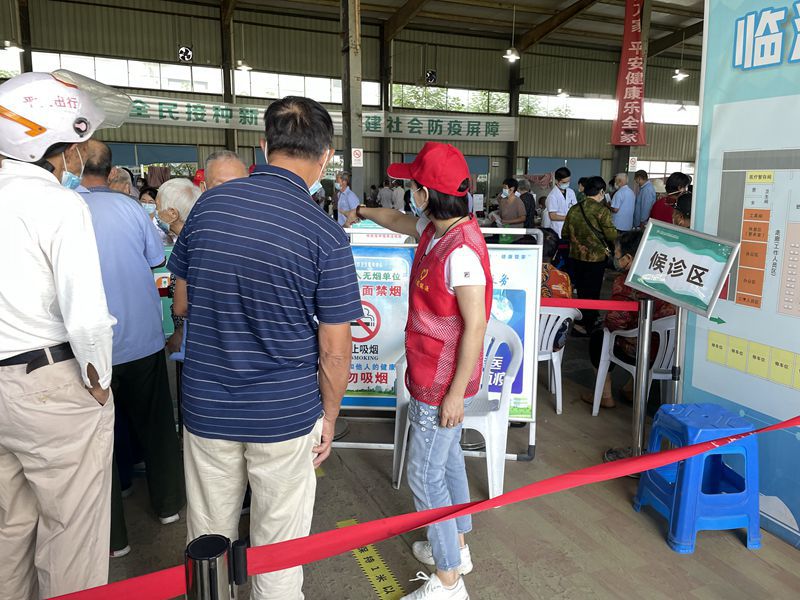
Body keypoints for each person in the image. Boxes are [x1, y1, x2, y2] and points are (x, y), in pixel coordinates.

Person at [168, 96, 362, 600]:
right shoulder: (325, 234)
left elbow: (181, 303)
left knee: (208, 538)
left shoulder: (207, 207)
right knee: (279, 547)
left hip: (208, 406)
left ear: (263, 145)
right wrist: (330, 415)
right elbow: (335, 349)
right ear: (326, 157)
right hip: (284, 415)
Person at [346, 142, 491, 600]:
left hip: (441, 382)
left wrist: (454, 394)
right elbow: (397, 220)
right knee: (447, 461)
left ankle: (449, 581)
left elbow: (475, 326)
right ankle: (457, 548)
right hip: (431, 371)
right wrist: (361, 212)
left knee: (424, 476)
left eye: (412, 186)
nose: (409, 194)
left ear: (426, 194)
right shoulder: (437, 229)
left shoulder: (462, 251)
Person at [0, 70, 122, 599]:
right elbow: (86, 315)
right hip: (49, 382)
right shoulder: (58, 204)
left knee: (10, 527)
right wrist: (99, 383)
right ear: (58, 146)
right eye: (77, 143)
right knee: (71, 531)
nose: (79, 154)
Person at [77, 140, 185, 558]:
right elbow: (156, 258)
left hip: (89, 349)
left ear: (74, 163)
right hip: (140, 338)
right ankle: (169, 506)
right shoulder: (131, 209)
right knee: (156, 424)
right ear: (112, 172)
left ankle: (114, 538)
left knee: (96, 441)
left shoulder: (67, 208)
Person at [584, 231, 676, 409]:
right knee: (645, 329)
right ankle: (630, 388)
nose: (614, 257)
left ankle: (605, 395)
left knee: (599, 337)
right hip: (670, 352)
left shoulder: (626, 282)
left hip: (643, 351)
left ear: (628, 258)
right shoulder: (670, 277)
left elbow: (615, 323)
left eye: (616, 253)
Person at [562, 176, 618, 334]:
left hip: (576, 257)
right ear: (601, 192)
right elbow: (611, 235)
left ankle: (581, 321)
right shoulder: (602, 211)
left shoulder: (574, 209)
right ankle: (589, 324)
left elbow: (564, 233)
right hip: (596, 259)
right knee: (593, 291)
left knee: (581, 290)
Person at [544, 167, 577, 237]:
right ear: (556, 181)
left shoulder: (571, 192)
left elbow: (575, 208)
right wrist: (569, 218)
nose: (567, 183)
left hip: (570, 228)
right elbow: (553, 216)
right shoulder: (552, 196)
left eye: (568, 181)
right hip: (558, 229)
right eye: (564, 182)